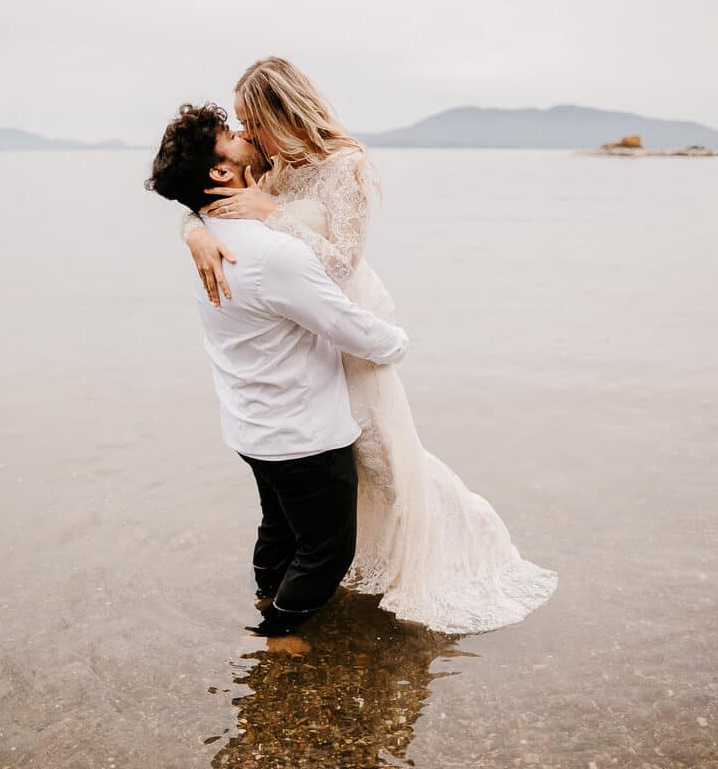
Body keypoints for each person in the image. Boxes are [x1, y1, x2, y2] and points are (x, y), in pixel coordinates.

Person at [181, 57, 558, 634]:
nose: (246, 134)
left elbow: (340, 263)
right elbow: (202, 195)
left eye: (250, 119)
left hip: (350, 339)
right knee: (322, 480)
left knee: (385, 463)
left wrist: (274, 213)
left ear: (282, 110)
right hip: (308, 343)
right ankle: (318, 576)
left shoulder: (344, 165)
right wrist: (195, 232)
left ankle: (433, 558)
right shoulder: (272, 167)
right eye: (239, 123)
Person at [145, 103, 410, 636]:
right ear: (221, 172)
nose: (244, 135)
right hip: (302, 434)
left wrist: (191, 227)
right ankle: (277, 635)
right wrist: (399, 342)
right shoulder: (271, 254)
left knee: (280, 529)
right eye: (231, 134)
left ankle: (266, 598)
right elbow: (345, 325)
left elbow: (195, 214)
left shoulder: (211, 237)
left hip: (248, 424)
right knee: (327, 551)